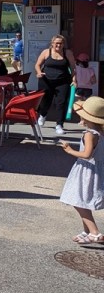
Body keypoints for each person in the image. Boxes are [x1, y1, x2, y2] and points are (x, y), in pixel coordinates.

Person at [58, 97, 104, 245]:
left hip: (86, 170)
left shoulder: (89, 134)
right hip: (95, 169)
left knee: (77, 200)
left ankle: (95, 232)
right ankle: (87, 232)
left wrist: (69, 150)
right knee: (82, 200)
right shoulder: (100, 133)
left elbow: (87, 154)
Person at [34, 34, 77, 136]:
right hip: (46, 81)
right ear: (52, 44)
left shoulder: (68, 53)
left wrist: (74, 79)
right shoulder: (46, 52)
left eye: (61, 43)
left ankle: (59, 125)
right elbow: (37, 64)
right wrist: (39, 72)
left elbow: (73, 67)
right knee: (45, 101)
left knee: (61, 103)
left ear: (63, 44)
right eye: (56, 43)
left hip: (63, 82)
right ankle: (43, 115)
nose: (59, 45)